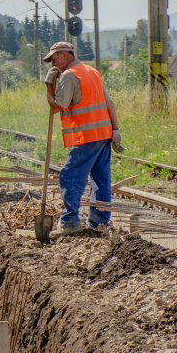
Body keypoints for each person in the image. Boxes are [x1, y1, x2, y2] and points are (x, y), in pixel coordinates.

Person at [43, 41, 124, 236]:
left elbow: (56, 107)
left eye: (53, 59)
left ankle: (70, 221)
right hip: (103, 134)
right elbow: (109, 101)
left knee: (70, 176)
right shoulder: (91, 71)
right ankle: (100, 222)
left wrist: (48, 85)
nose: (52, 64)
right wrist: (116, 129)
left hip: (87, 136)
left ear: (64, 55)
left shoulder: (69, 76)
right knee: (100, 179)